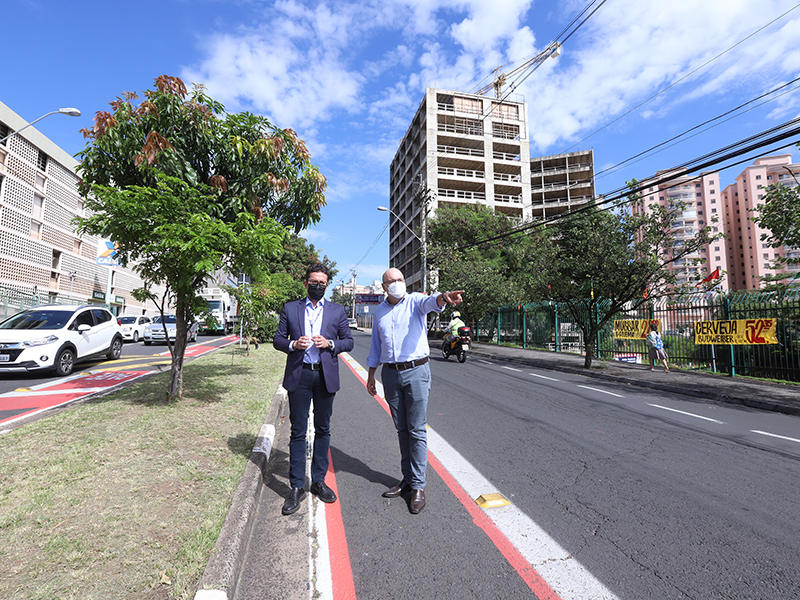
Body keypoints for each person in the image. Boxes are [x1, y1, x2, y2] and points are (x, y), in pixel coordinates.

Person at [366, 268, 464, 514]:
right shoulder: (380, 311)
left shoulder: (415, 302)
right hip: (390, 373)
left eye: (400, 279)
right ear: (384, 286)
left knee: (417, 429)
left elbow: (432, 302)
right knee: (401, 429)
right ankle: (407, 479)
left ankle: (419, 486)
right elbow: (376, 347)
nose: (398, 283)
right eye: (392, 281)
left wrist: (443, 297)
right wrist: (370, 376)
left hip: (416, 371)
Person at [274, 263, 354, 516]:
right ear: (305, 283)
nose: (318, 285)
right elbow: (278, 339)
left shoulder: (337, 310)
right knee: (298, 432)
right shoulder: (291, 308)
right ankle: (296, 486)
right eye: (313, 281)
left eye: (322, 282)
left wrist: (330, 343)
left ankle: (318, 481)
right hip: (300, 376)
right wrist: (292, 344)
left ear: (327, 285)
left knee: (323, 429)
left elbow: (348, 341)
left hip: (324, 377)